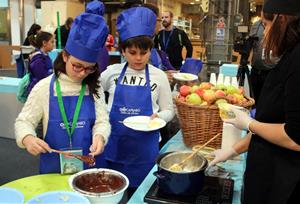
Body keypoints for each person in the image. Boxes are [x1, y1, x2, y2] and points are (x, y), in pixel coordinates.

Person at [210, 1, 300, 203]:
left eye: (266, 25)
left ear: (281, 19)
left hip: (281, 185)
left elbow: (295, 138)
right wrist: (232, 151)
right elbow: (270, 124)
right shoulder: (289, 57)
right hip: (265, 175)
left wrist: (250, 123)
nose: (265, 33)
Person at [15, 3, 111, 174]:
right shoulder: (44, 87)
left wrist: (100, 136)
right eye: (77, 66)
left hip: (89, 167)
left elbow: (102, 121)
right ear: (65, 56)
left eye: (90, 68)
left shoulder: (94, 87)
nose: (83, 73)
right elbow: (24, 122)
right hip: (54, 168)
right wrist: (27, 138)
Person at [100, 6, 175, 197]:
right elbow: (95, 96)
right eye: (132, 52)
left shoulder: (159, 76)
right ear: (123, 51)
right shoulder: (112, 72)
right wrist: (102, 116)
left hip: (144, 149)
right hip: (115, 145)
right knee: (109, 194)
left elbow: (169, 110)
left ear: (151, 50)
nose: (139, 58)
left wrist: (159, 117)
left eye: (144, 52)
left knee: (140, 195)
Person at [249, 12, 274, 104]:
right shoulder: (256, 25)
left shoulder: (277, 25)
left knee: (268, 101)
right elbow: (251, 44)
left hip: (271, 71)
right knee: (254, 99)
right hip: (256, 70)